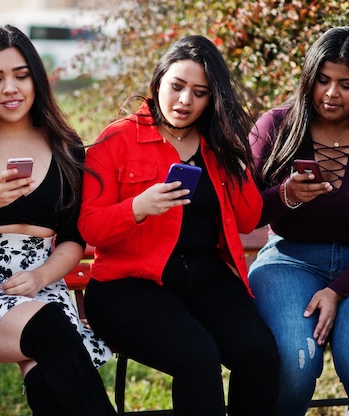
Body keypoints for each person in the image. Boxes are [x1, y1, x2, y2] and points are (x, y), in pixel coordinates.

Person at [78, 35, 279, 415]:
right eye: (177, 86)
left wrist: (237, 162)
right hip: (127, 285)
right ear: (158, 83)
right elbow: (90, 228)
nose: (185, 101)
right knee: (197, 355)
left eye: (200, 92)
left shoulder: (217, 145)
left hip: (204, 279)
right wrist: (138, 207)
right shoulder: (117, 139)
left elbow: (250, 218)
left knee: (259, 352)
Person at [0, 25, 116, 416]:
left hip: (41, 284)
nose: (10, 88)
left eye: (21, 75)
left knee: (49, 372)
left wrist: (40, 277)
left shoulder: (66, 147)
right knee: (53, 333)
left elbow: (71, 241)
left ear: (37, 79)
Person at [249, 26, 349, 416]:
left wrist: (338, 290)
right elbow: (245, 212)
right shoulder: (275, 127)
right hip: (288, 263)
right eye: (322, 80)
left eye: (346, 84)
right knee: (294, 361)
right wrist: (285, 196)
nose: (330, 93)